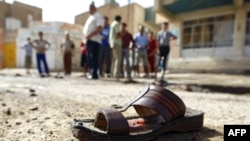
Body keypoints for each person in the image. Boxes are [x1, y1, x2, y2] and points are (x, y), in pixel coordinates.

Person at [82, 2, 104, 79]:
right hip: (89, 40)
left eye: (91, 8)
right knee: (89, 58)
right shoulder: (90, 17)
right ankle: (92, 72)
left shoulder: (97, 16)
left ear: (94, 8)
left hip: (94, 40)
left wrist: (90, 35)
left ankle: (94, 73)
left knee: (93, 57)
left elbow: (99, 28)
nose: (89, 10)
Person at [110, 15, 122, 80]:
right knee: (118, 59)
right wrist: (122, 34)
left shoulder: (112, 24)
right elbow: (118, 34)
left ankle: (112, 73)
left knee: (114, 59)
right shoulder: (116, 24)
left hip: (112, 43)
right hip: (117, 43)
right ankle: (116, 75)